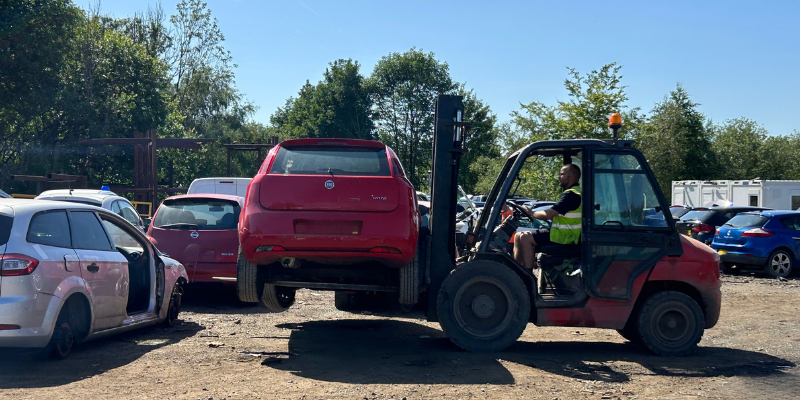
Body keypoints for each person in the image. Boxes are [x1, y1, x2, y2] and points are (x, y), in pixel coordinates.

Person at [513, 164, 582, 270]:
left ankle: (527, 274)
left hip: (565, 238)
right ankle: (516, 271)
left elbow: (548, 214)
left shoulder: (571, 195)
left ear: (571, 177)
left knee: (525, 237)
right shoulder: (573, 193)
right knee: (518, 236)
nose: (559, 177)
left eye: (562, 174)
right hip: (561, 234)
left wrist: (531, 212)